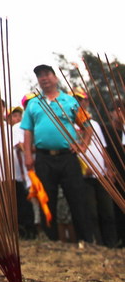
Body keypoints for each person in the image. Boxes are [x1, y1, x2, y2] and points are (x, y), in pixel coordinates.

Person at [21, 65, 93, 243]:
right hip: (44, 157)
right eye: (40, 76)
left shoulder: (70, 101)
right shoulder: (34, 104)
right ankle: (51, 241)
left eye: (47, 74)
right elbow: (28, 131)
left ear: (55, 78)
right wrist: (28, 156)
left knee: (77, 197)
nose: (43, 78)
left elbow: (87, 127)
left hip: (67, 156)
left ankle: (85, 240)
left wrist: (82, 146)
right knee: (46, 198)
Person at [0, 96, 35, 238]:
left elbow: (19, 147)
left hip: (12, 173)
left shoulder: (9, 128)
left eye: (0, 106)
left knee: (12, 205)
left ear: (4, 109)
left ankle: (14, 234)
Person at [73, 88, 117, 247]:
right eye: (75, 100)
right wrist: (82, 168)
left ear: (86, 102)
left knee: (108, 212)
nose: (78, 103)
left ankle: (112, 244)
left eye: (81, 100)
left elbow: (103, 147)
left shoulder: (94, 124)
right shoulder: (69, 125)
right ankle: (97, 244)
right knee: (91, 213)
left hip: (101, 173)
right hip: (83, 176)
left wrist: (109, 168)